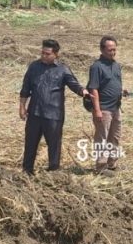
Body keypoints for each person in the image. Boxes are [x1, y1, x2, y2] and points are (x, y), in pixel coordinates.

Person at [19, 39, 89, 174]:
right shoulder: (34, 67)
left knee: (54, 144)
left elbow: (74, 84)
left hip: (53, 114)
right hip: (34, 112)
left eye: (47, 54)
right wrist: (22, 106)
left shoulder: (62, 70)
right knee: (30, 143)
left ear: (56, 54)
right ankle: (27, 170)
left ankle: (53, 172)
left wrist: (83, 91)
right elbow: (25, 88)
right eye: (42, 53)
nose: (44, 56)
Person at [88, 35, 125, 175]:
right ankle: (100, 167)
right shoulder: (97, 67)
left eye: (114, 49)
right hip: (103, 109)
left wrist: (122, 90)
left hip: (116, 107)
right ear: (102, 49)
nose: (113, 52)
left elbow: (114, 83)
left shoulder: (116, 65)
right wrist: (97, 110)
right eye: (110, 50)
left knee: (114, 136)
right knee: (102, 138)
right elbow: (94, 89)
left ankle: (112, 163)